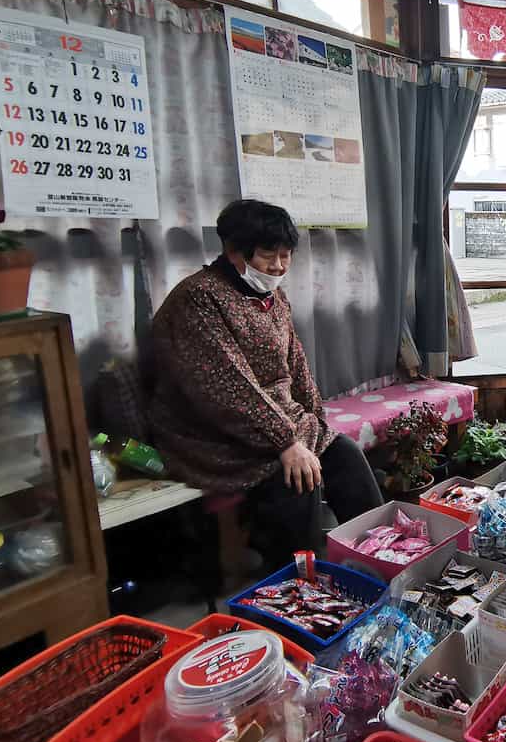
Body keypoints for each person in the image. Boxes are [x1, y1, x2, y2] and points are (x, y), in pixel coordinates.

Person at [149, 199, 383, 563]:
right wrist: (285, 441)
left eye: (286, 255)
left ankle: (382, 555)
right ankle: (300, 584)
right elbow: (227, 386)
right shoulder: (198, 299)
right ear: (233, 251)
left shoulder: (272, 297)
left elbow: (296, 364)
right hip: (211, 432)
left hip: (273, 420)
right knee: (296, 481)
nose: (277, 266)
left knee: (344, 455)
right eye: (266, 255)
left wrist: (314, 421)